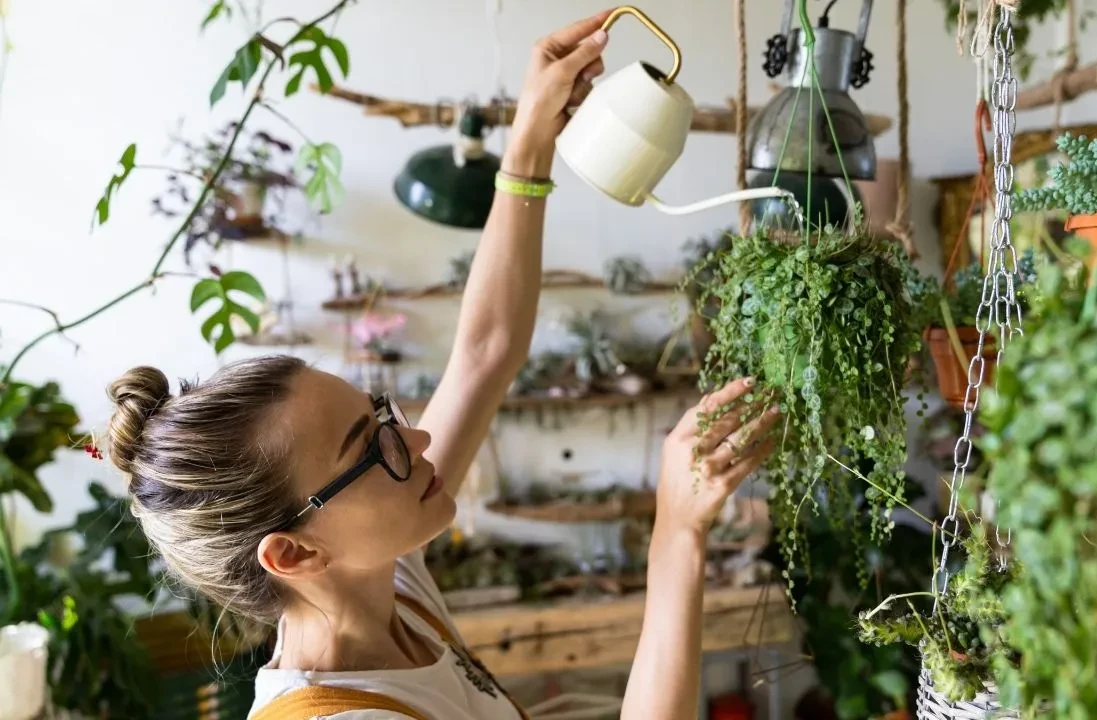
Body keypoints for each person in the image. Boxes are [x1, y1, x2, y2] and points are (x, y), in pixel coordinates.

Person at [104, 9, 781, 720]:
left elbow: (484, 353)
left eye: (381, 418)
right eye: (372, 450)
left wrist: (529, 143)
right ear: (295, 555)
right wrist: (677, 534)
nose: (419, 442)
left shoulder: (384, 587)